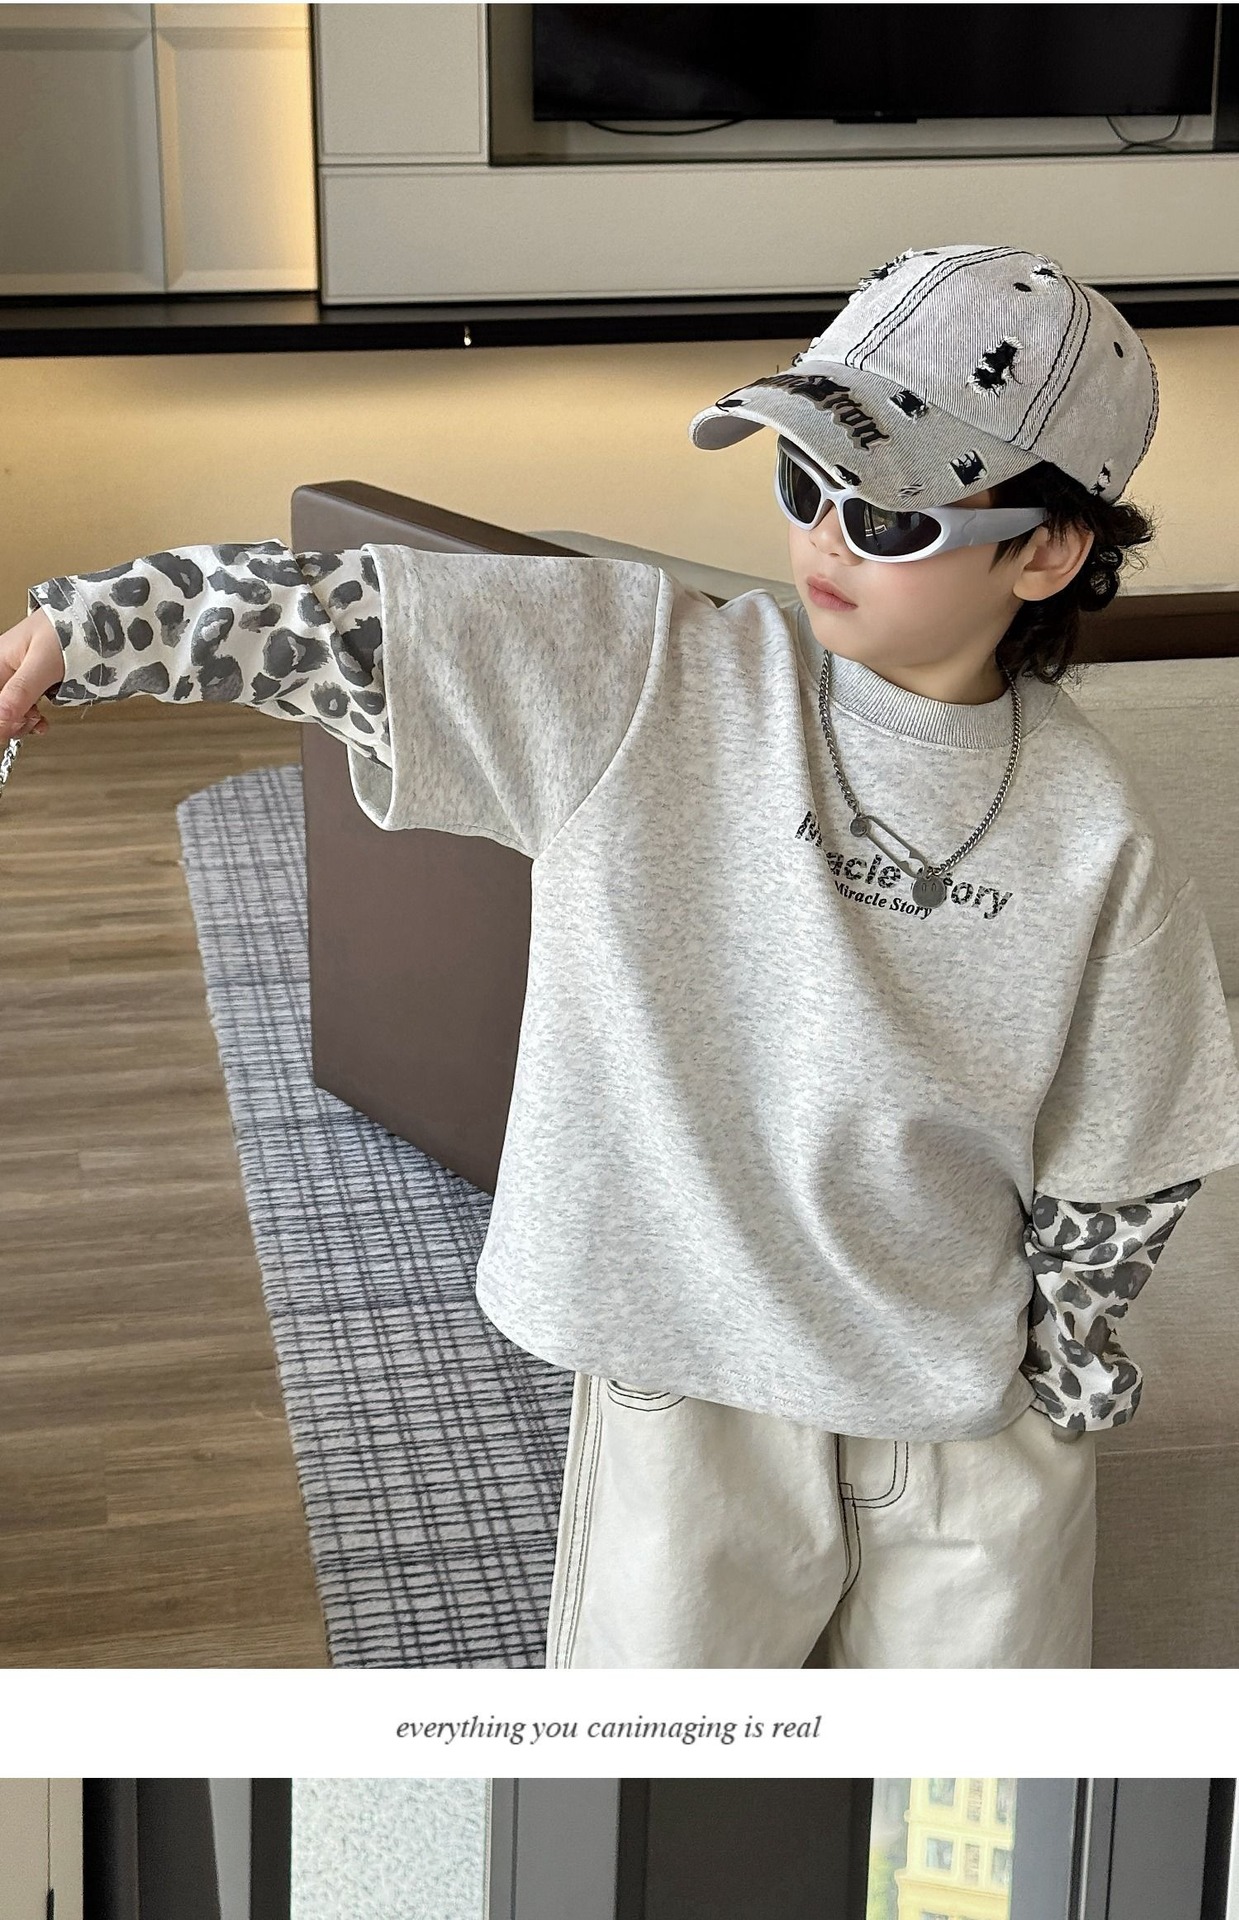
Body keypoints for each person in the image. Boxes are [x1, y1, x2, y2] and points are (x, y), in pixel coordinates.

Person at [3, 242, 1238, 1669]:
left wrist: (1066, 1364)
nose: (827, 540)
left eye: (892, 515)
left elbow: (1129, 1145)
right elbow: (351, 624)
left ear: (1048, 550)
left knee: (974, 1789)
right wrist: (96, 628)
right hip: (684, 1379)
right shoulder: (650, 674)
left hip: (958, 1410)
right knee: (648, 1768)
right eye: (802, 485)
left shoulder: (1099, 835)